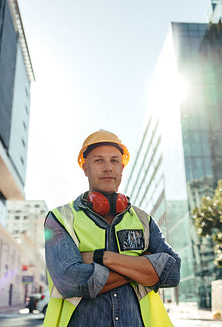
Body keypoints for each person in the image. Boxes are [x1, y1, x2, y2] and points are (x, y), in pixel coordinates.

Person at [43, 130, 181, 327]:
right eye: (99, 160)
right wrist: (143, 267)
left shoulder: (143, 220)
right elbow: (70, 280)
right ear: (85, 168)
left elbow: (173, 271)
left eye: (115, 161)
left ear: (122, 168)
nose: (108, 168)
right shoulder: (60, 218)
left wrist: (101, 257)